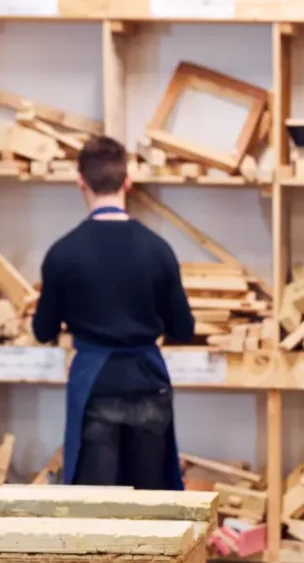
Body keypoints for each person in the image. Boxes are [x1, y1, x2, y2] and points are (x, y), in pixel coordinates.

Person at [32, 136, 198, 489]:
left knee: (98, 513)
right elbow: (184, 328)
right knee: (152, 508)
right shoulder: (159, 250)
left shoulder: (63, 253)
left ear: (80, 181)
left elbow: (42, 329)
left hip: (95, 386)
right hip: (148, 384)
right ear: (127, 182)